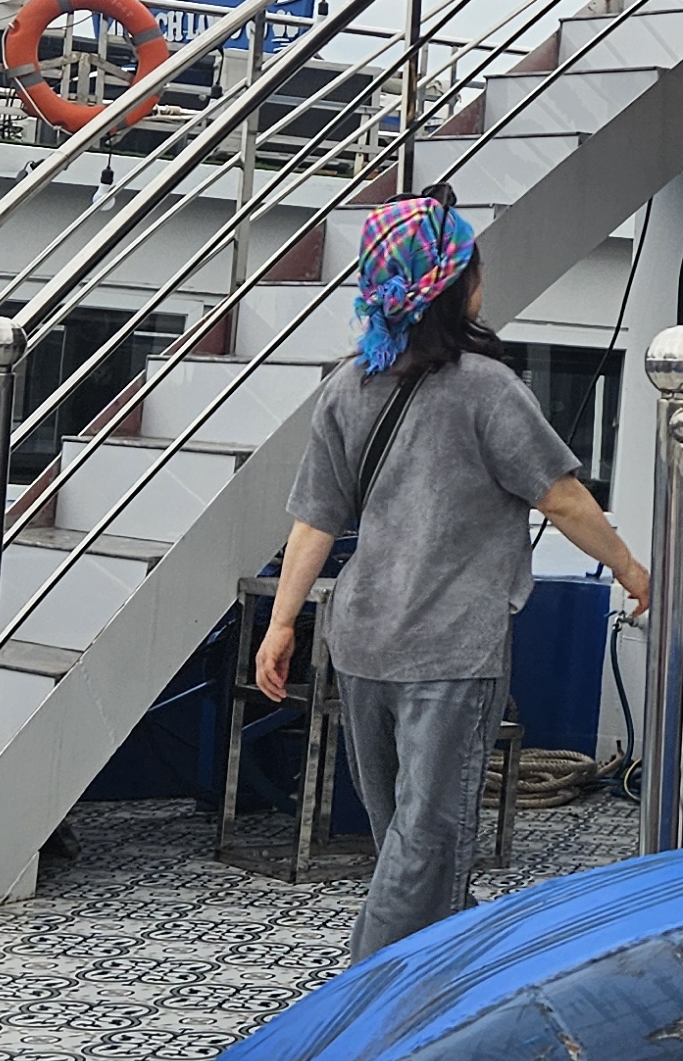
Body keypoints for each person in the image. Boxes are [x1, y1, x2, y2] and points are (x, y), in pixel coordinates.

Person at [257, 191, 649, 961]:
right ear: (453, 285)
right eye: (474, 268)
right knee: (427, 844)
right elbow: (562, 498)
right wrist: (632, 568)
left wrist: (282, 624)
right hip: (450, 649)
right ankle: (367, 995)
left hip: (360, 642)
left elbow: (314, 521)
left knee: (404, 842)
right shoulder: (486, 387)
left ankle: (447, 972)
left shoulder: (347, 385)